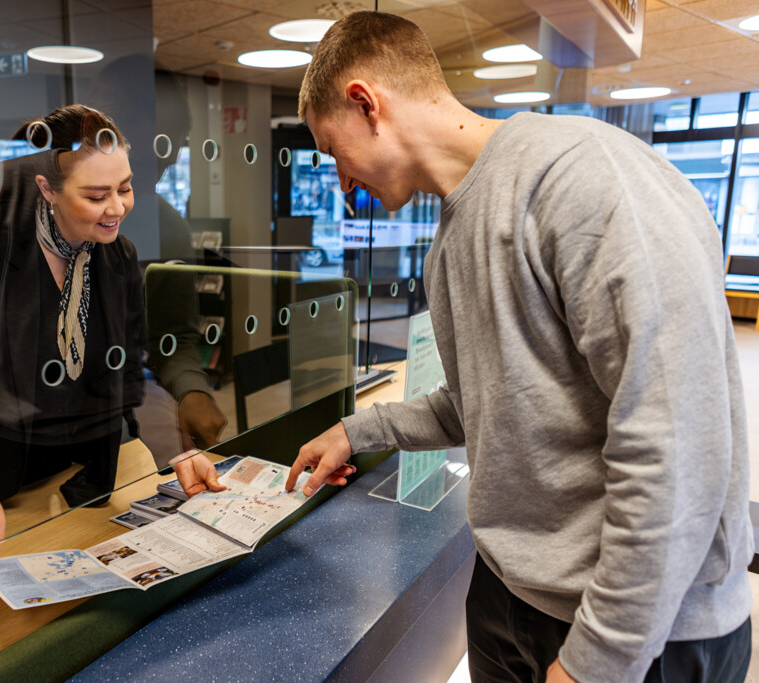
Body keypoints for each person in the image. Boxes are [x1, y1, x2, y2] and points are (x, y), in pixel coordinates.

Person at [284, 11, 752, 683]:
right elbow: (484, 402)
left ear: (366, 103)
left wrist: (598, 659)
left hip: (645, 629)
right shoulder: (449, 241)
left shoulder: (581, 180)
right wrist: (355, 431)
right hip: (514, 595)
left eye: (335, 152)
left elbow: (678, 447)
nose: (342, 183)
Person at [0, 105, 148, 591]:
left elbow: (126, 363)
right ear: (46, 189)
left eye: (125, 187)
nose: (117, 208)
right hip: (5, 465)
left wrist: (138, 437)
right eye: (97, 195)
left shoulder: (117, 253)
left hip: (91, 462)